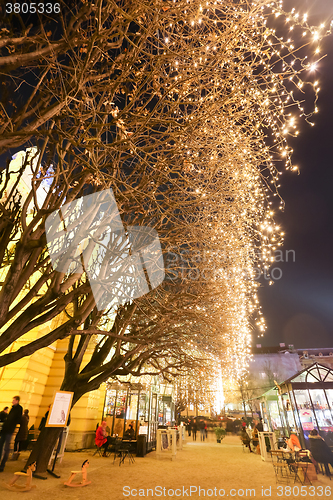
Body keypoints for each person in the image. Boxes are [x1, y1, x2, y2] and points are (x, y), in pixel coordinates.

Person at [0, 395, 23, 472]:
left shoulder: (18, 409)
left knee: (6, 448)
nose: (12, 401)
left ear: (17, 401)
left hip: (9, 430)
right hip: (5, 430)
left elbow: (17, 419)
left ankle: (2, 465)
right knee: (1, 447)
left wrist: (11, 425)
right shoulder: (12, 408)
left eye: (14, 400)